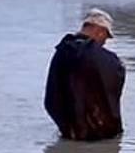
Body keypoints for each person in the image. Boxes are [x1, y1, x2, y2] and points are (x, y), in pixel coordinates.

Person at [44, 9, 125, 140]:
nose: (104, 42)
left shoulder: (62, 51)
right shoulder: (107, 59)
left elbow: (52, 97)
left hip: (67, 129)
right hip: (99, 138)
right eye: (106, 36)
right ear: (100, 31)